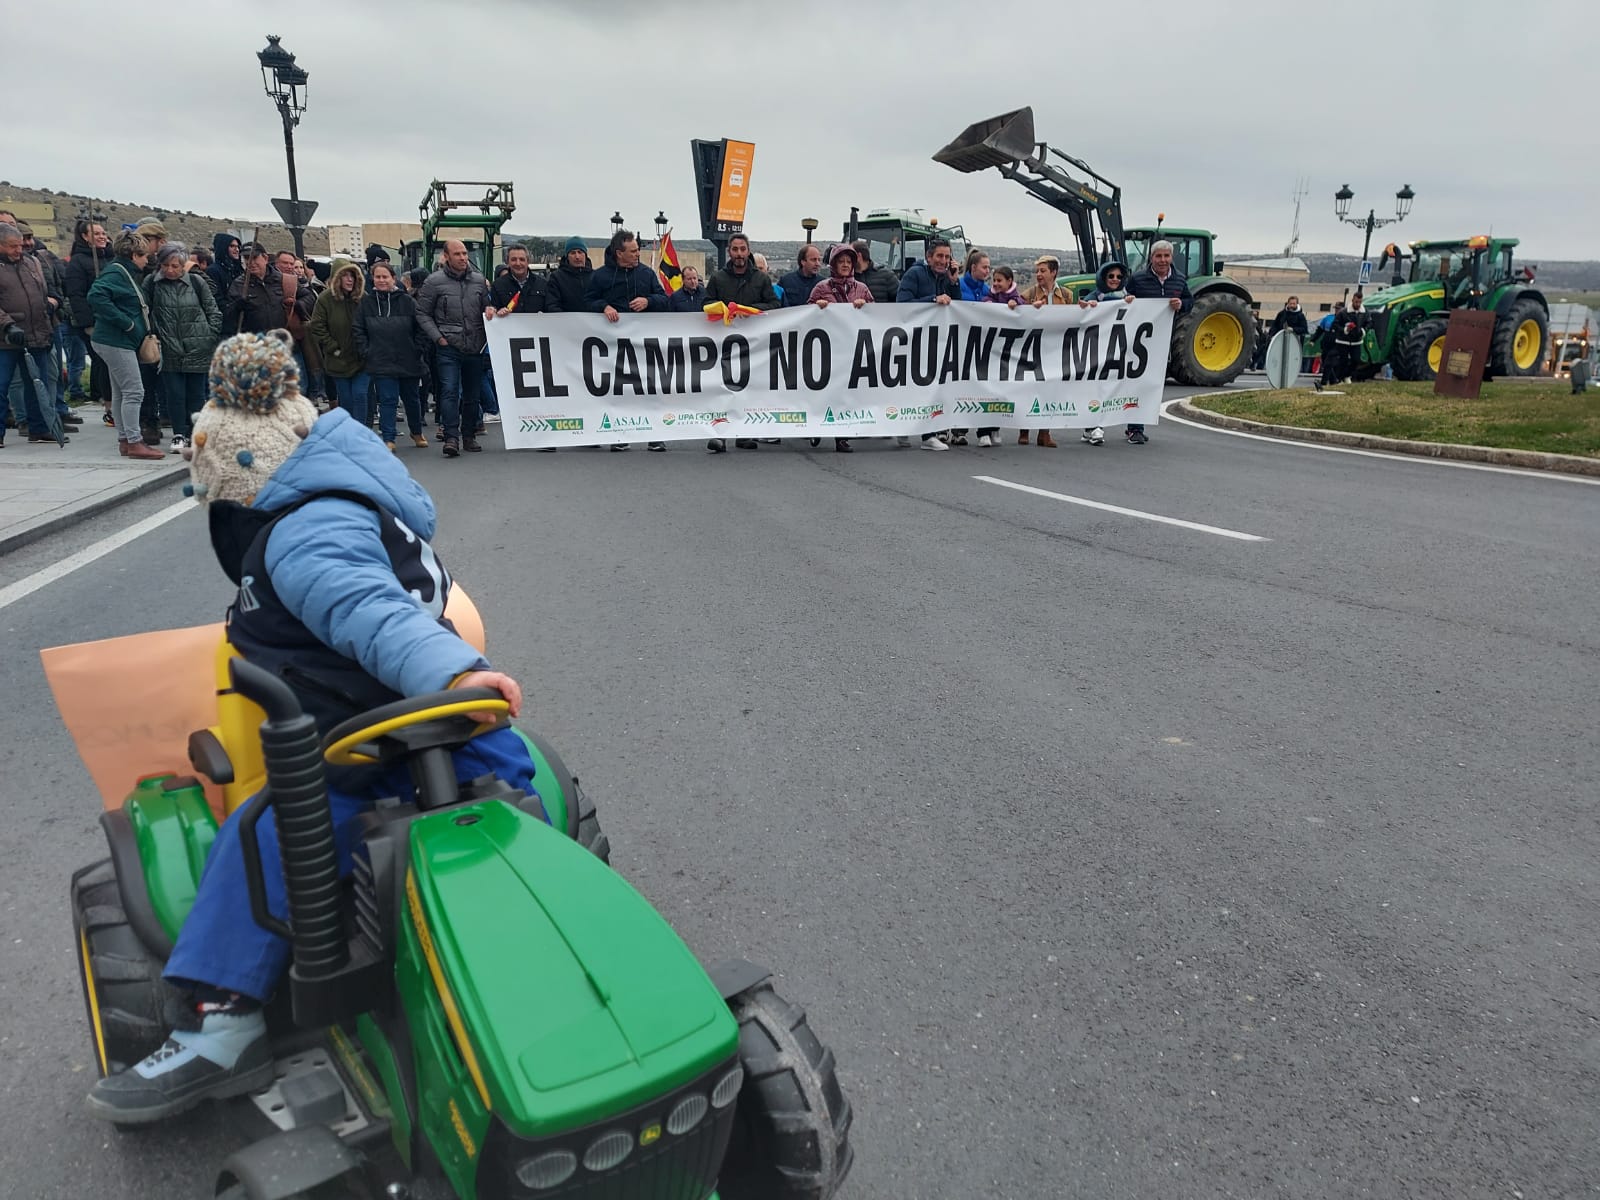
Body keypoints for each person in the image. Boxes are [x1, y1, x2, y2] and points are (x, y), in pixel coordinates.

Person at [84, 331, 540, 1126]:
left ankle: (219, 1022)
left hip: (376, 749)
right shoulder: (346, 507)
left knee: (258, 843)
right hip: (445, 739)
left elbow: (370, 615)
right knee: (526, 803)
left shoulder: (303, 534)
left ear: (242, 472)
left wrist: (451, 676)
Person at [586, 229, 669, 452]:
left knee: (650, 388)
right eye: (632, 251)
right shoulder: (600, 276)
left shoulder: (647, 274)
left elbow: (664, 300)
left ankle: (655, 434)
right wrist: (604, 306)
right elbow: (587, 301)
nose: (637, 254)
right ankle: (620, 434)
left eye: (638, 250)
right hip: (613, 344)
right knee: (619, 390)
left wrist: (648, 301)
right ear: (618, 253)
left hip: (644, 344)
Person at [87, 229, 162, 459]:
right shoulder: (117, 273)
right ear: (133, 255)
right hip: (116, 340)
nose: (147, 259)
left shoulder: (121, 271)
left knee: (120, 392)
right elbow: (95, 296)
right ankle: (135, 441)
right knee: (134, 391)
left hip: (115, 340)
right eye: (143, 255)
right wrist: (127, 323)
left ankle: (125, 440)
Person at [415, 238, 492, 457]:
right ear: (446, 257)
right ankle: (451, 437)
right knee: (449, 392)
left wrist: (491, 312)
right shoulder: (434, 282)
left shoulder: (478, 281)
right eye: (457, 254)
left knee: (472, 394)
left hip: (474, 346)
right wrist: (438, 337)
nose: (462, 258)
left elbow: (486, 307)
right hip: (448, 346)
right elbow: (422, 312)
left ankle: (468, 435)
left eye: (464, 254)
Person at [144, 242, 222, 453]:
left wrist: (209, 336)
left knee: (196, 394)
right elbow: (145, 311)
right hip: (169, 347)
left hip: (198, 345)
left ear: (183, 265)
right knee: (175, 394)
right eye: (166, 265)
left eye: (175, 266)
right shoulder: (152, 283)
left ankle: (196, 433)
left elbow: (212, 310)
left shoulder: (196, 282)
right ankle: (179, 433)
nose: (170, 270)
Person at [704, 234, 778, 452]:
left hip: (754, 344)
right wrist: (722, 309)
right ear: (729, 251)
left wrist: (752, 310)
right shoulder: (718, 278)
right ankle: (721, 435)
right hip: (724, 342)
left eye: (742, 249)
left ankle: (743, 433)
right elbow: (706, 303)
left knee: (750, 388)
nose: (739, 254)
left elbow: (774, 304)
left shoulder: (761, 279)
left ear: (748, 251)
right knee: (723, 388)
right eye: (735, 249)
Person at [0, 221, 66, 447]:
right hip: (6, 338)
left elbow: (44, 292)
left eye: (19, 245)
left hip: (37, 334)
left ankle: (39, 428)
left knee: (39, 383)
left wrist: (51, 307)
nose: (19, 250)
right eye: (12, 246)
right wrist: (7, 325)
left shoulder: (32, 262)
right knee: (2, 385)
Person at [894, 238, 960, 451]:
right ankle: (907, 428)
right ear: (929, 257)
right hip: (914, 339)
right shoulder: (914, 274)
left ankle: (927, 433)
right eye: (939, 256)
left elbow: (959, 306)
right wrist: (932, 299)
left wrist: (954, 282)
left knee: (931, 385)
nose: (943, 260)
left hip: (935, 340)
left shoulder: (944, 278)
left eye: (947, 257)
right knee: (912, 386)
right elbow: (902, 303)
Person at [354, 260, 428, 452]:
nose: (381, 280)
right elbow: (358, 330)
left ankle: (416, 431)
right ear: (372, 279)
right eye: (377, 277)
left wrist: (417, 349)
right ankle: (389, 437)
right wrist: (366, 351)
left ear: (393, 278)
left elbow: (421, 328)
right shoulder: (366, 303)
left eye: (385, 277)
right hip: (380, 360)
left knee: (412, 399)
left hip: (408, 359)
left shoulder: (407, 301)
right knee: (388, 400)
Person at [1123, 240, 1191, 445]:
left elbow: (1190, 301)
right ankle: (1134, 428)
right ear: (1151, 258)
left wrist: (1182, 304)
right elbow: (1124, 298)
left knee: (1151, 384)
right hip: (1139, 342)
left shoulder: (1179, 280)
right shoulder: (1137, 279)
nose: (1162, 260)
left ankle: (1139, 424)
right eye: (1158, 256)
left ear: (1172, 258)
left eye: (1166, 256)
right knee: (1137, 382)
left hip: (1163, 341)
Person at [807, 243, 873, 454]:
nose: (845, 265)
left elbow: (877, 316)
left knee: (845, 393)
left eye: (848, 262)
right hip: (827, 349)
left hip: (852, 348)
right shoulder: (821, 288)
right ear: (833, 264)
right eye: (841, 262)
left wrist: (866, 307)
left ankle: (841, 436)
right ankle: (816, 425)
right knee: (825, 390)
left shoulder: (861, 289)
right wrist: (817, 308)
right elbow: (805, 316)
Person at [1013, 255, 1075, 448]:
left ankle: (1044, 433)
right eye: (1037, 271)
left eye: (1043, 271)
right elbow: (1018, 315)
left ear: (1054, 272)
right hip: (1033, 349)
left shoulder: (1066, 295)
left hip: (1055, 350)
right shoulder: (1029, 294)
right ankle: (1024, 430)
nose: (1038, 275)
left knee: (1050, 390)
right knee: (1029, 388)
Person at [1073, 261, 1137, 447]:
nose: (1115, 280)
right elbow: (1082, 314)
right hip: (1096, 349)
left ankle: (1093, 426)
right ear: (1103, 277)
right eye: (1111, 276)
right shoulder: (1095, 295)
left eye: (1118, 276)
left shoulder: (1128, 296)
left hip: (1117, 350)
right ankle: (1094, 425)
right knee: (1095, 387)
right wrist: (1089, 306)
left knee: (1109, 387)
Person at [62, 219, 113, 420]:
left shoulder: (110, 258)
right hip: (94, 323)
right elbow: (76, 295)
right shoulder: (77, 262)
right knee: (103, 363)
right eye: (96, 233)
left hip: (112, 320)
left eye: (103, 233)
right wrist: (89, 323)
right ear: (84, 237)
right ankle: (109, 408)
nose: (102, 236)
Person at [309, 262, 369, 422]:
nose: (350, 280)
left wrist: (369, 348)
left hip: (361, 359)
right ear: (337, 278)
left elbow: (373, 323)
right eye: (345, 276)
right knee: (346, 400)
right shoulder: (325, 299)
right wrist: (332, 347)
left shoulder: (363, 298)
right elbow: (317, 326)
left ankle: (361, 434)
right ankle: (347, 433)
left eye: (353, 276)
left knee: (360, 395)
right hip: (338, 359)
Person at [1321, 293, 1365, 389]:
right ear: (1352, 300)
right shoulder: (1342, 313)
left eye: (1360, 302)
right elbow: (1333, 326)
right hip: (1342, 341)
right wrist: (1345, 330)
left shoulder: (1364, 313)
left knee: (1356, 360)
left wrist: (1362, 331)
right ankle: (1333, 380)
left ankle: (1345, 376)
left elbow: (1369, 323)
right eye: (1356, 302)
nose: (1358, 304)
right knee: (1339, 361)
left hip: (1356, 341)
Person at [490, 244, 547, 317]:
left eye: (522, 259)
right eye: (513, 259)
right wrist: (497, 312)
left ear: (528, 261)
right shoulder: (497, 285)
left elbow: (550, 309)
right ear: (507, 262)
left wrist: (545, 315)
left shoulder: (543, 284)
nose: (518, 263)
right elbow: (493, 311)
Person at [542, 237, 591, 315]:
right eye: (573, 253)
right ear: (567, 256)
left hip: (592, 324)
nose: (577, 256)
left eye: (580, 252)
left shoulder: (596, 277)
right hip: (566, 324)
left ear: (585, 255)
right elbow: (552, 305)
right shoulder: (556, 278)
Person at [779, 244, 825, 310]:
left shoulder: (823, 284)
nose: (817, 264)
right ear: (803, 262)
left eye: (819, 260)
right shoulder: (786, 281)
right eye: (813, 260)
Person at [208, 234, 243, 300]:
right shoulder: (213, 271)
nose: (237, 249)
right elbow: (217, 297)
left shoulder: (238, 269)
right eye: (232, 246)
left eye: (238, 247)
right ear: (223, 247)